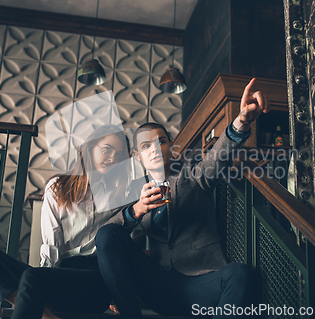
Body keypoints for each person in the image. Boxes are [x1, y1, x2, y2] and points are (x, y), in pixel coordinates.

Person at [95, 78, 269, 318]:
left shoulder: (193, 175)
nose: (155, 148)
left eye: (161, 142)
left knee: (240, 273)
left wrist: (242, 120)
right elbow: (108, 236)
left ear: (171, 146)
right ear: (137, 156)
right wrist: (136, 210)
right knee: (106, 233)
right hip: (159, 286)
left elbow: (218, 157)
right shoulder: (137, 192)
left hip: (201, 285)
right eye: (146, 146)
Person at [0, 124, 130, 319]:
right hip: (58, 275)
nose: (112, 158)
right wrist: (47, 283)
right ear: (89, 148)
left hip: (96, 282)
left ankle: (40, 307)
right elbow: (52, 244)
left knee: (34, 278)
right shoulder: (58, 187)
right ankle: (46, 314)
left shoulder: (123, 196)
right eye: (106, 150)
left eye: (119, 156)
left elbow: (123, 251)